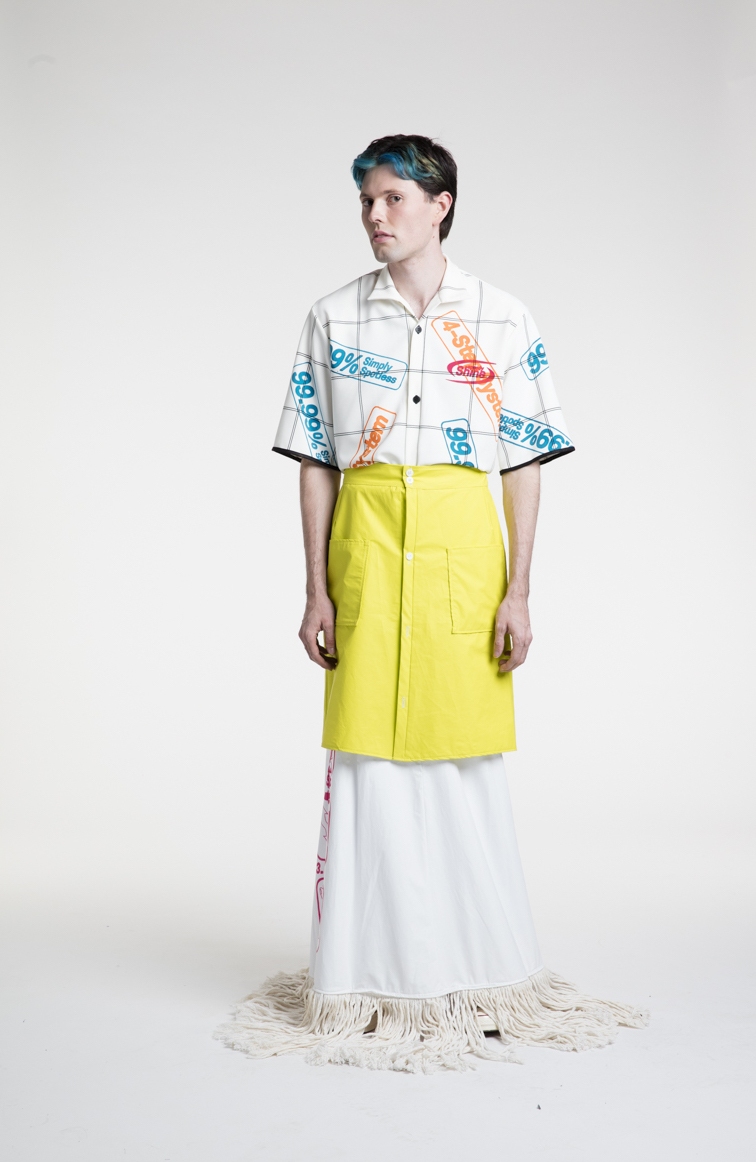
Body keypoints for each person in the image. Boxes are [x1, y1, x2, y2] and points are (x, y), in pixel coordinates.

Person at [214, 134, 649, 1072]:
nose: (376, 217)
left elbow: (524, 462)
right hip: (366, 542)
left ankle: (477, 972)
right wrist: (316, 586)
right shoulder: (332, 317)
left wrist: (520, 589)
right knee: (367, 754)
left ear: (440, 204)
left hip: (461, 545)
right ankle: (365, 975)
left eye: (393, 200)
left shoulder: (501, 316)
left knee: (461, 753)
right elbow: (317, 462)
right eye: (366, 202)